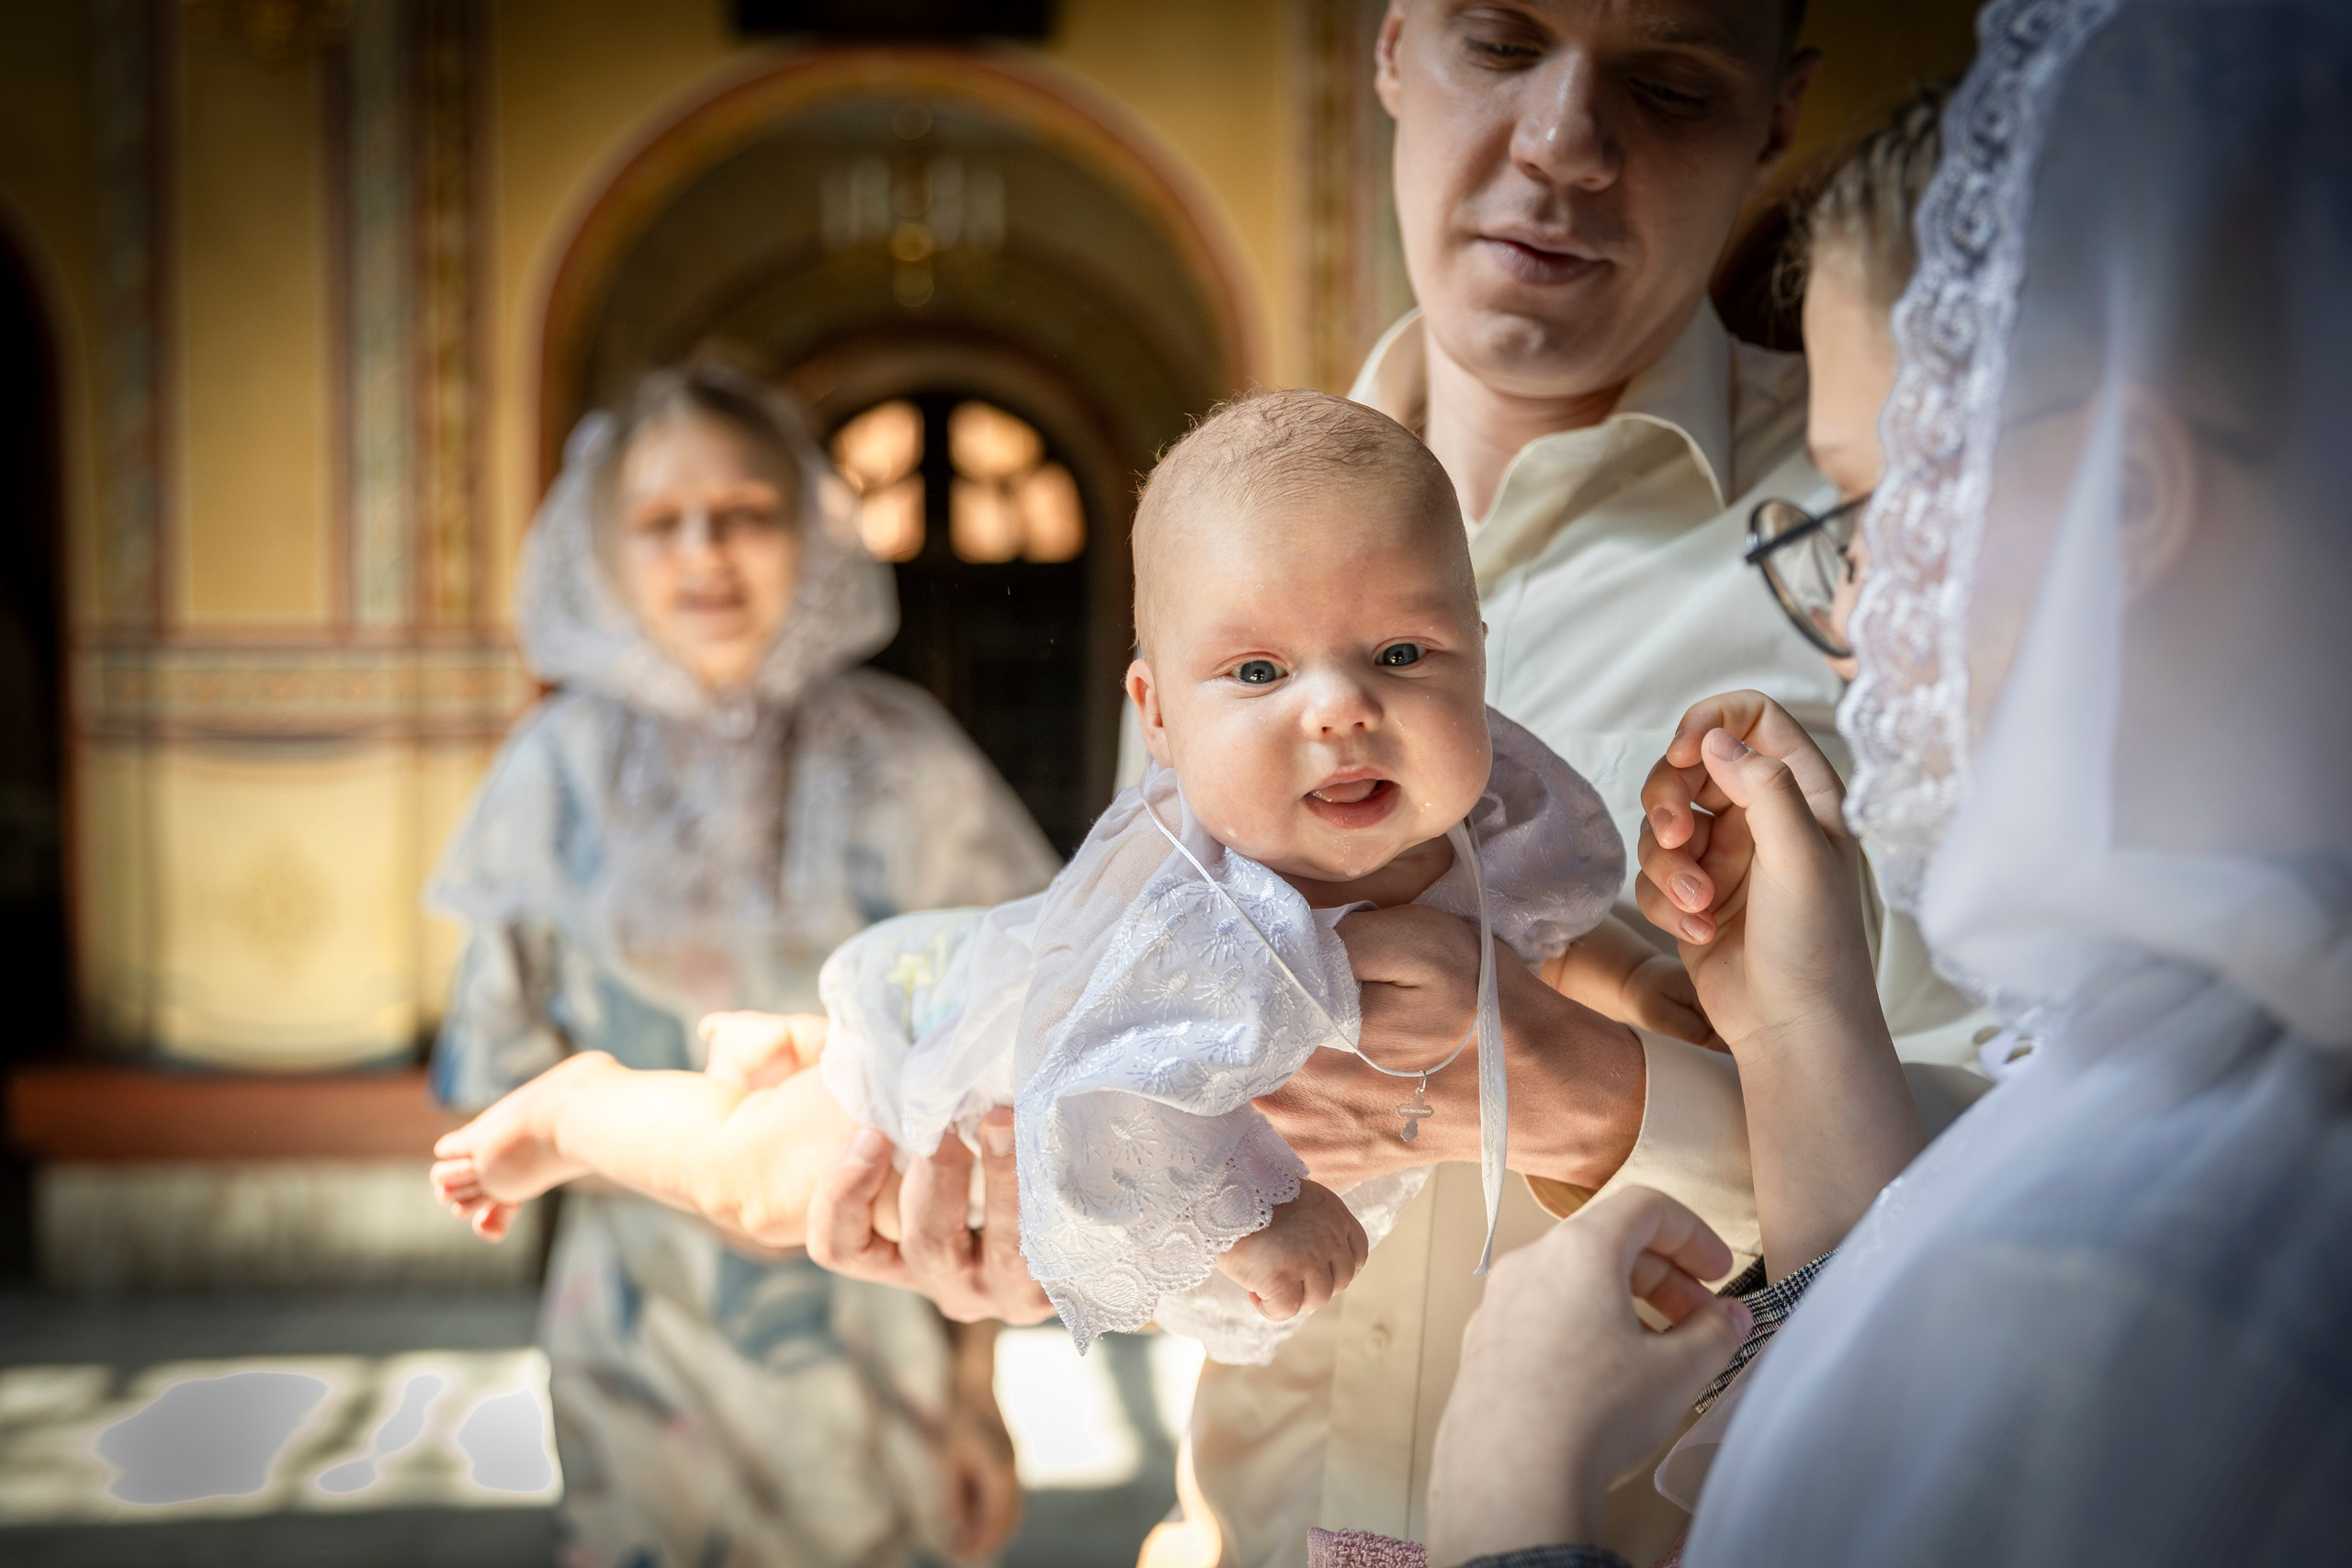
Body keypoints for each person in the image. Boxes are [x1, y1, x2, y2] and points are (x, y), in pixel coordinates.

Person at [1427, 0, 2352, 1561]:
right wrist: (1798, 1027)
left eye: (1868, 507)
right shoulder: (2205, 1056)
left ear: (2127, 495)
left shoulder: (2143, 1261)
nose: (1852, 615)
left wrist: (1506, 1489)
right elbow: (1908, 1376)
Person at [432, 392, 1690, 1367]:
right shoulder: (1206, 924)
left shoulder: (1497, 801)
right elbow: (1108, 1109)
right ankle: (582, 1112)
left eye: (1403, 651)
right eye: (1257, 673)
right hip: (994, 1029)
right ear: (1157, 717)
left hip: (995, 962)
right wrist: (1257, 1223)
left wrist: (1646, 982)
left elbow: (1551, 920)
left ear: (1480, 664)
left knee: (829, 1082)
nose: (1344, 707)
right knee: (774, 1179)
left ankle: (787, 1039)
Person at [425, 364, 1057, 1568]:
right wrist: (703, 1163)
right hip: (641, 1341)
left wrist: (980, 1391)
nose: (706, 553)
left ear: (813, 532)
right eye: (661, 523)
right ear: (604, 553)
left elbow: (1007, 1090)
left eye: (747, 515)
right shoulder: (548, 779)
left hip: (884, 1332)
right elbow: (485, 1090)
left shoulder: (910, 764)